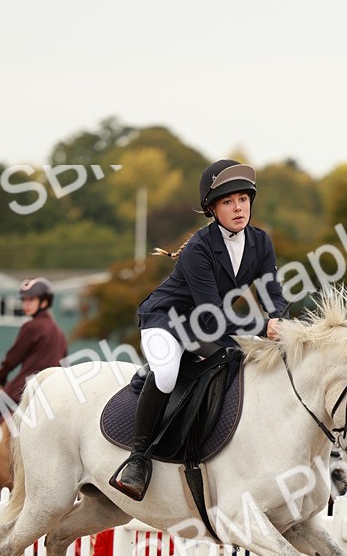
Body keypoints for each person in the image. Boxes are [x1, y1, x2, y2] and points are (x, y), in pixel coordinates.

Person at [110, 159, 288, 501]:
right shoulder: (198, 248)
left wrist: (281, 322)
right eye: (228, 202)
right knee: (166, 374)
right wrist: (262, 327)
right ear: (212, 209)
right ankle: (138, 458)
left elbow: (272, 293)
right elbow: (212, 315)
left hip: (206, 325)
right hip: (168, 321)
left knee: (241, 365)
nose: (238, 208)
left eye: (243, 199)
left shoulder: (261, 242)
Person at [0, 277, 68, 485]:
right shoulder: (59, 332)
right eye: (24, 300)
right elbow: (65, 363)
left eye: (31, 300)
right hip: (50, 393)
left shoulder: (32, 327)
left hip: (22, 391)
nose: (26, 304)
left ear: (44, 302)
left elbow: (12, 359)